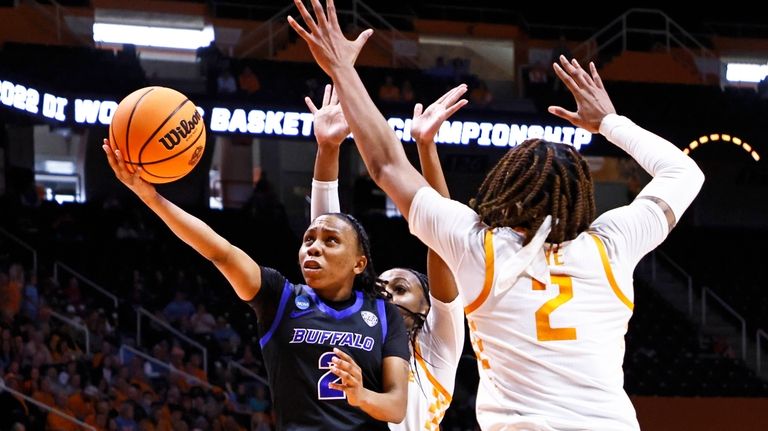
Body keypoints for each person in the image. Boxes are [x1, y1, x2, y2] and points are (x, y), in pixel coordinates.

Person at [288, 2, 705, 429]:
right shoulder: (612, 244)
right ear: (580, 196)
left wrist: (343, 69)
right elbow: (684, 172)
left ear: (507, 187)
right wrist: (611, 123)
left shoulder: (481, 247)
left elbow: (387, 166)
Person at [102, 136, 410, 429]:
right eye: (309, 239)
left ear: (359, 263)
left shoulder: (383, 314)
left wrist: (361, 395)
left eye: (331, 241)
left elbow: (396, 407)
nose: (314, 247)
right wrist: (151, 197)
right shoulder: (280, 298)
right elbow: (219, 251)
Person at [304, 84, 466, 430]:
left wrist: (426, 147)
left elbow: (442, 241)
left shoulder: (436, 350)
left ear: (427, 309)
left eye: (402, 288)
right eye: (382, 286)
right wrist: (328, 148)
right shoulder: (354, 328)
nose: (386, 292)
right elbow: (332, 240)